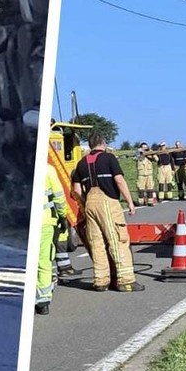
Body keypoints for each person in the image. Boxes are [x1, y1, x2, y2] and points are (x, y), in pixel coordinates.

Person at [71, 133, 144, 292]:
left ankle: (100, 281)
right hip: (107, 201)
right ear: (103, 143)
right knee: (118, 240)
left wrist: (85, 204)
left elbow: (76, 190)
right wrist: (130, 202)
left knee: (97, 243)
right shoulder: (109, 158)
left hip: (90, 203)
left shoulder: (81, 163)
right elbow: (119, 180)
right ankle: (126, 281)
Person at [37, 164, 70, 315]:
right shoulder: (48, 170)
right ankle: (42, 301)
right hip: (45, 223)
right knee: (43, 261)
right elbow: (59, 197)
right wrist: (63, 216)